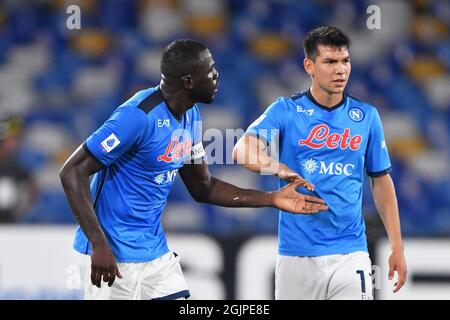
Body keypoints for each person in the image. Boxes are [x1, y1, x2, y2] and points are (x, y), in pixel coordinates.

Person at [59, 39, 328, 300]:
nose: (217, 75)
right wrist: (98, 243)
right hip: (112, 255)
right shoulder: (137, 117)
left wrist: (271, 199)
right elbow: (72, 172)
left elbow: (203, 187)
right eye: (210, 70)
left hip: (154, 254)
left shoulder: (190, 115)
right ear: (188, 82)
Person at [233, 26, 407, 300]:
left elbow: (381, 181)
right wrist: (278, 168)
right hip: (296, 255)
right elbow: (242, 150)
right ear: (309, 66)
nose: (341, 70)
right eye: (330, 62)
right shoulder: (286, 111)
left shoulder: (367, 117)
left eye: (345, 61)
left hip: (351, 252)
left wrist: (397, 246)